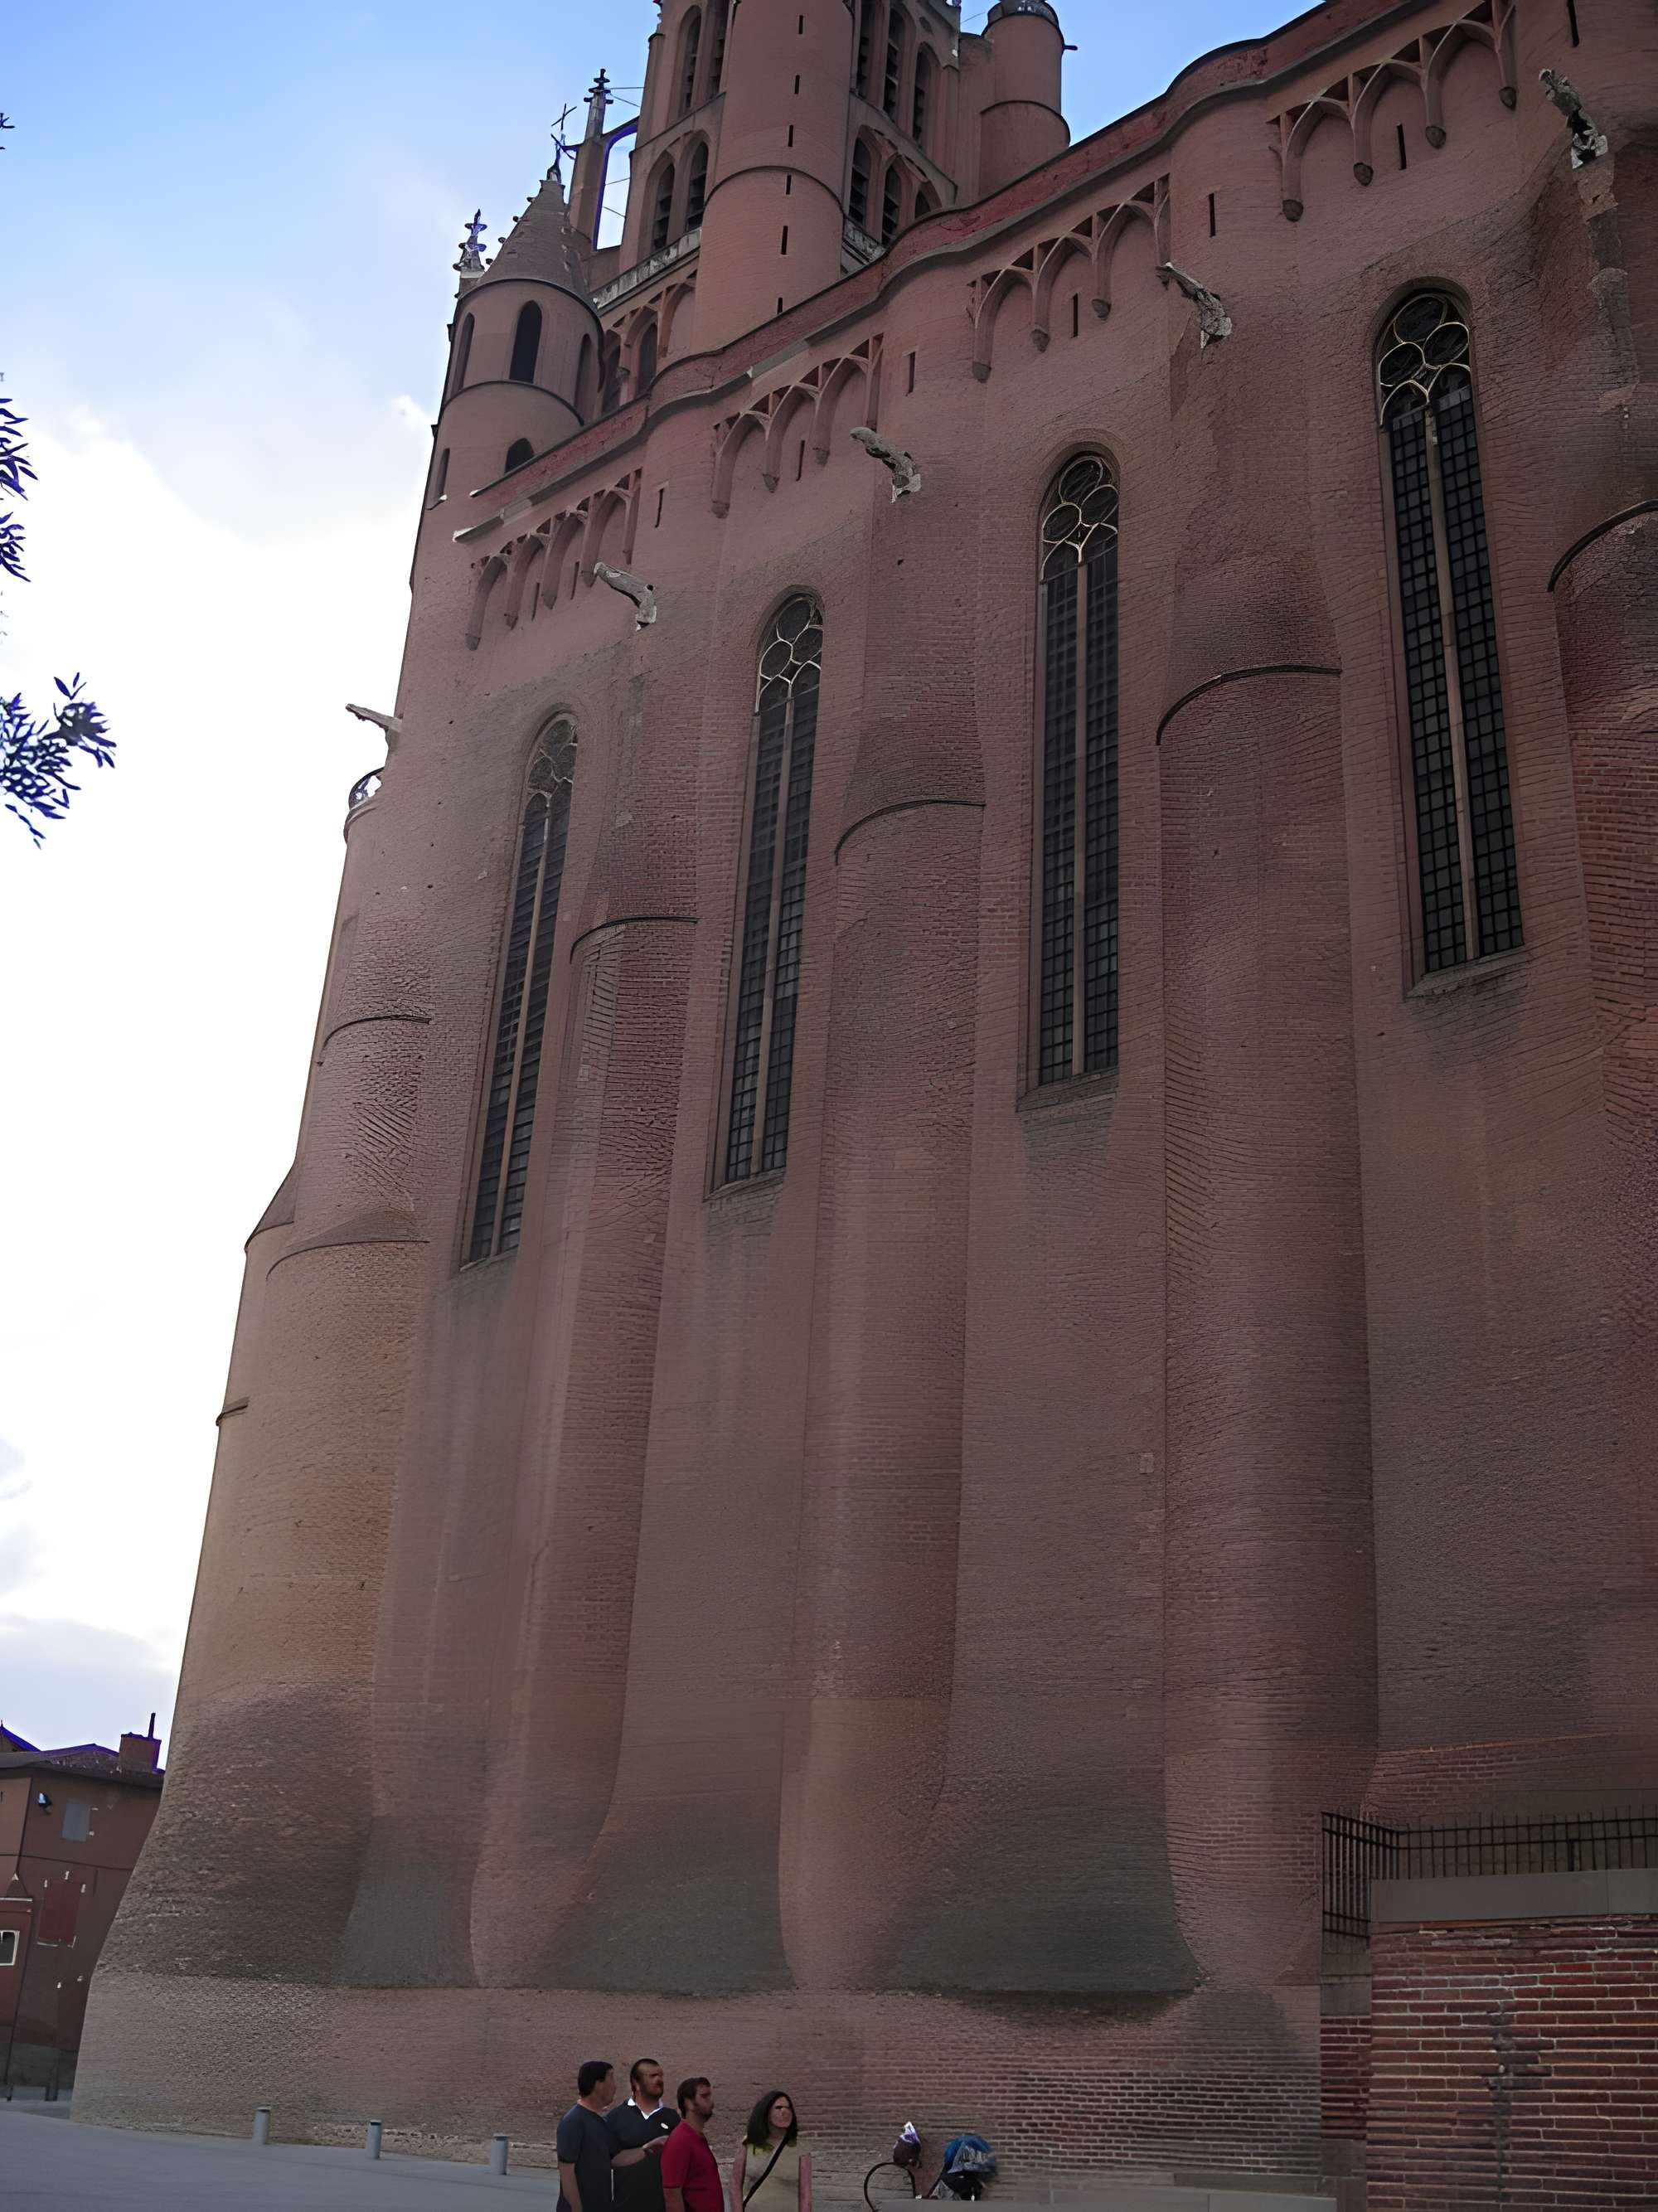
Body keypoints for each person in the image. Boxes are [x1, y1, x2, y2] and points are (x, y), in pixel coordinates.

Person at [608, 2058, 677, 2212]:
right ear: (636, 2083)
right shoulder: (615, 2118)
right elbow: (607, 2161)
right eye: (652, 2076)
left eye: (660, 2075)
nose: (659, 2079)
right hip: (625, 2207)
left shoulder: (673, 2118)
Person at [732, 2091, 811, 2212]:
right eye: (778, 2108)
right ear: (766, 2112)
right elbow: (735, 2185)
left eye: (788, 2108)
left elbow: (805, 2194)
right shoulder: (749, 2143)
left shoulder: (801, 2148)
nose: (784, 2111)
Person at [558, 2059, 618, 2212]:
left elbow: (616, 2158)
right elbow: (567, 2173)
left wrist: (647, 2149)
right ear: (598, 2084)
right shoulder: (573, 2120)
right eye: (611, 2078)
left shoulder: (600, 2121)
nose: (615, 2086)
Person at [662, 2076, 723, 2212]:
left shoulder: (696, 2137)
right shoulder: (681, 2139)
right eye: (704, 2096)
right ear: (689, 2103)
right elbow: (671, 2194)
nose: (711, 2102)